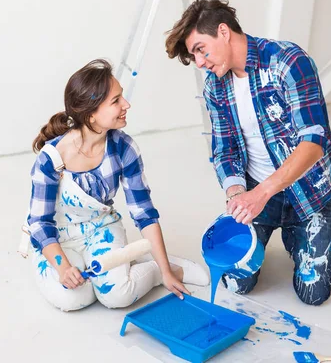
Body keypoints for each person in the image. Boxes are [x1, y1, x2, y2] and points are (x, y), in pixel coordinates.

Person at [165, 0, 331, 306]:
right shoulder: (215, 87)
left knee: (314, 295)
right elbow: (225, 149)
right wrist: (237, 194)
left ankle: (296, 232)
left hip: (307, 192)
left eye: (200, 49)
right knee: (236, 283)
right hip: (258, 194)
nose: (199, 62)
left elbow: (313, 142)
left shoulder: (288, 62)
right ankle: (274, 227)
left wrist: (261, 193)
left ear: (223, 32)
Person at [26, 59, 209, 312]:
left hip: (101, 229)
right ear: (91, 113)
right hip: (60, 238)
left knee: (116, 296)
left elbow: (144, 214)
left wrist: (166, 272)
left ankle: (154, 267)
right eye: (116, 101)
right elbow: (40, 223)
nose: (126, 105)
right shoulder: (51, 159)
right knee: (73, 299)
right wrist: (63, 267)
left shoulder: (124, 148)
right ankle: (122, 262)